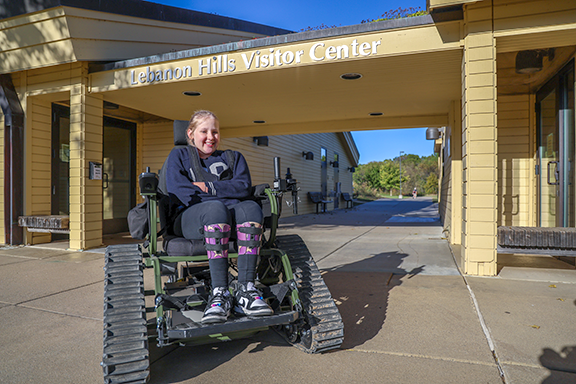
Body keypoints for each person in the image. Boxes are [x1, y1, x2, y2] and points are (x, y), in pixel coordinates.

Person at [165, 110, 273, 324]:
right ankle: (219, 293)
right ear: (190, 133)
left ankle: (246, 290)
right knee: (215, 209)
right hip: (191, 217)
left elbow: (243, 188)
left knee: (251, 207)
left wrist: (208, 186)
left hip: (230, 218)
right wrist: (225, 192)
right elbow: (180, 190)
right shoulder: (179, 156)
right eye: (204, 131)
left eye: (215, 132)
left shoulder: (233, 158)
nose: (210, 137)